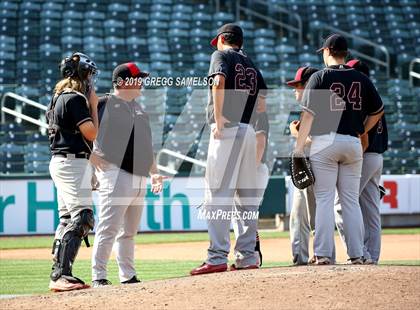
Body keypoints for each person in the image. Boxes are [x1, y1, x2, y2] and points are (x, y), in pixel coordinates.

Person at [294, 34, 384, 265]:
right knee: (350, 201)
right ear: (346, 54)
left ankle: (323, 254)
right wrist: (362, 131)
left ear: (326, 52)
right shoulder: (361, 78)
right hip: (352, 143)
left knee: (324, 198)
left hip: (325, 141)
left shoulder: (320, 76)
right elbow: (378, 111)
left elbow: (307, 115)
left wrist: (298, 147)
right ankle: (357, 254)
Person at [190, 23, 267, 275]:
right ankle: (247, 256)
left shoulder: (220, 55)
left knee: (217, 196)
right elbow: (263, 99)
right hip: (247, 130)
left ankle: (216, 257)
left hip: (228, 130)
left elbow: (219, 81)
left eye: (218, 41)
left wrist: (220, 116)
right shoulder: (252, 63)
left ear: (223, 39)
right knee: (246, 199)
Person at [91, 63, 166, 287]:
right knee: (109, 227)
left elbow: (147, 146)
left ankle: (128, 275)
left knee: (129, 231)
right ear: (122, 82)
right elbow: (76, 128)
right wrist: (91, 156)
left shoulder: (139, 109)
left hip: (140, 175)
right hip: (115, 172)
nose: (141, 81)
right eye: (137, 78)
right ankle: (99, 276)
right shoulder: (103, 103)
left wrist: (155, 173)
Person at [47, 52, 99, 291]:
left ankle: (59, 273)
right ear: (81, 75)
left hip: (64, 161)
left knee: (67, 219)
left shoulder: (59, 96)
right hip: (71, 162)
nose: (91, 79)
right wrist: (95, 106)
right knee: (82, 217)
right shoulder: (75, 98)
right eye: (88, 74)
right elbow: (91, 133)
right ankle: (61, 275)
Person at [334, 59, 388, 264]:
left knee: (341, 204)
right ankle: (371, 256)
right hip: (377, 157)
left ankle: (359, 252)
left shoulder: (360, 96)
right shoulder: (373, 95)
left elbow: (361, 133)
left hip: (364, 155)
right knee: (371, 210)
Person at [232, 111, 270, 266]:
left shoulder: (258, 113)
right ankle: (251, 254)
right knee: (242, 215)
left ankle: (251, 255)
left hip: (254, 168)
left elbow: (260, 143)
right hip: (246, 169)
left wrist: (248, 172)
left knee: (245, 214)